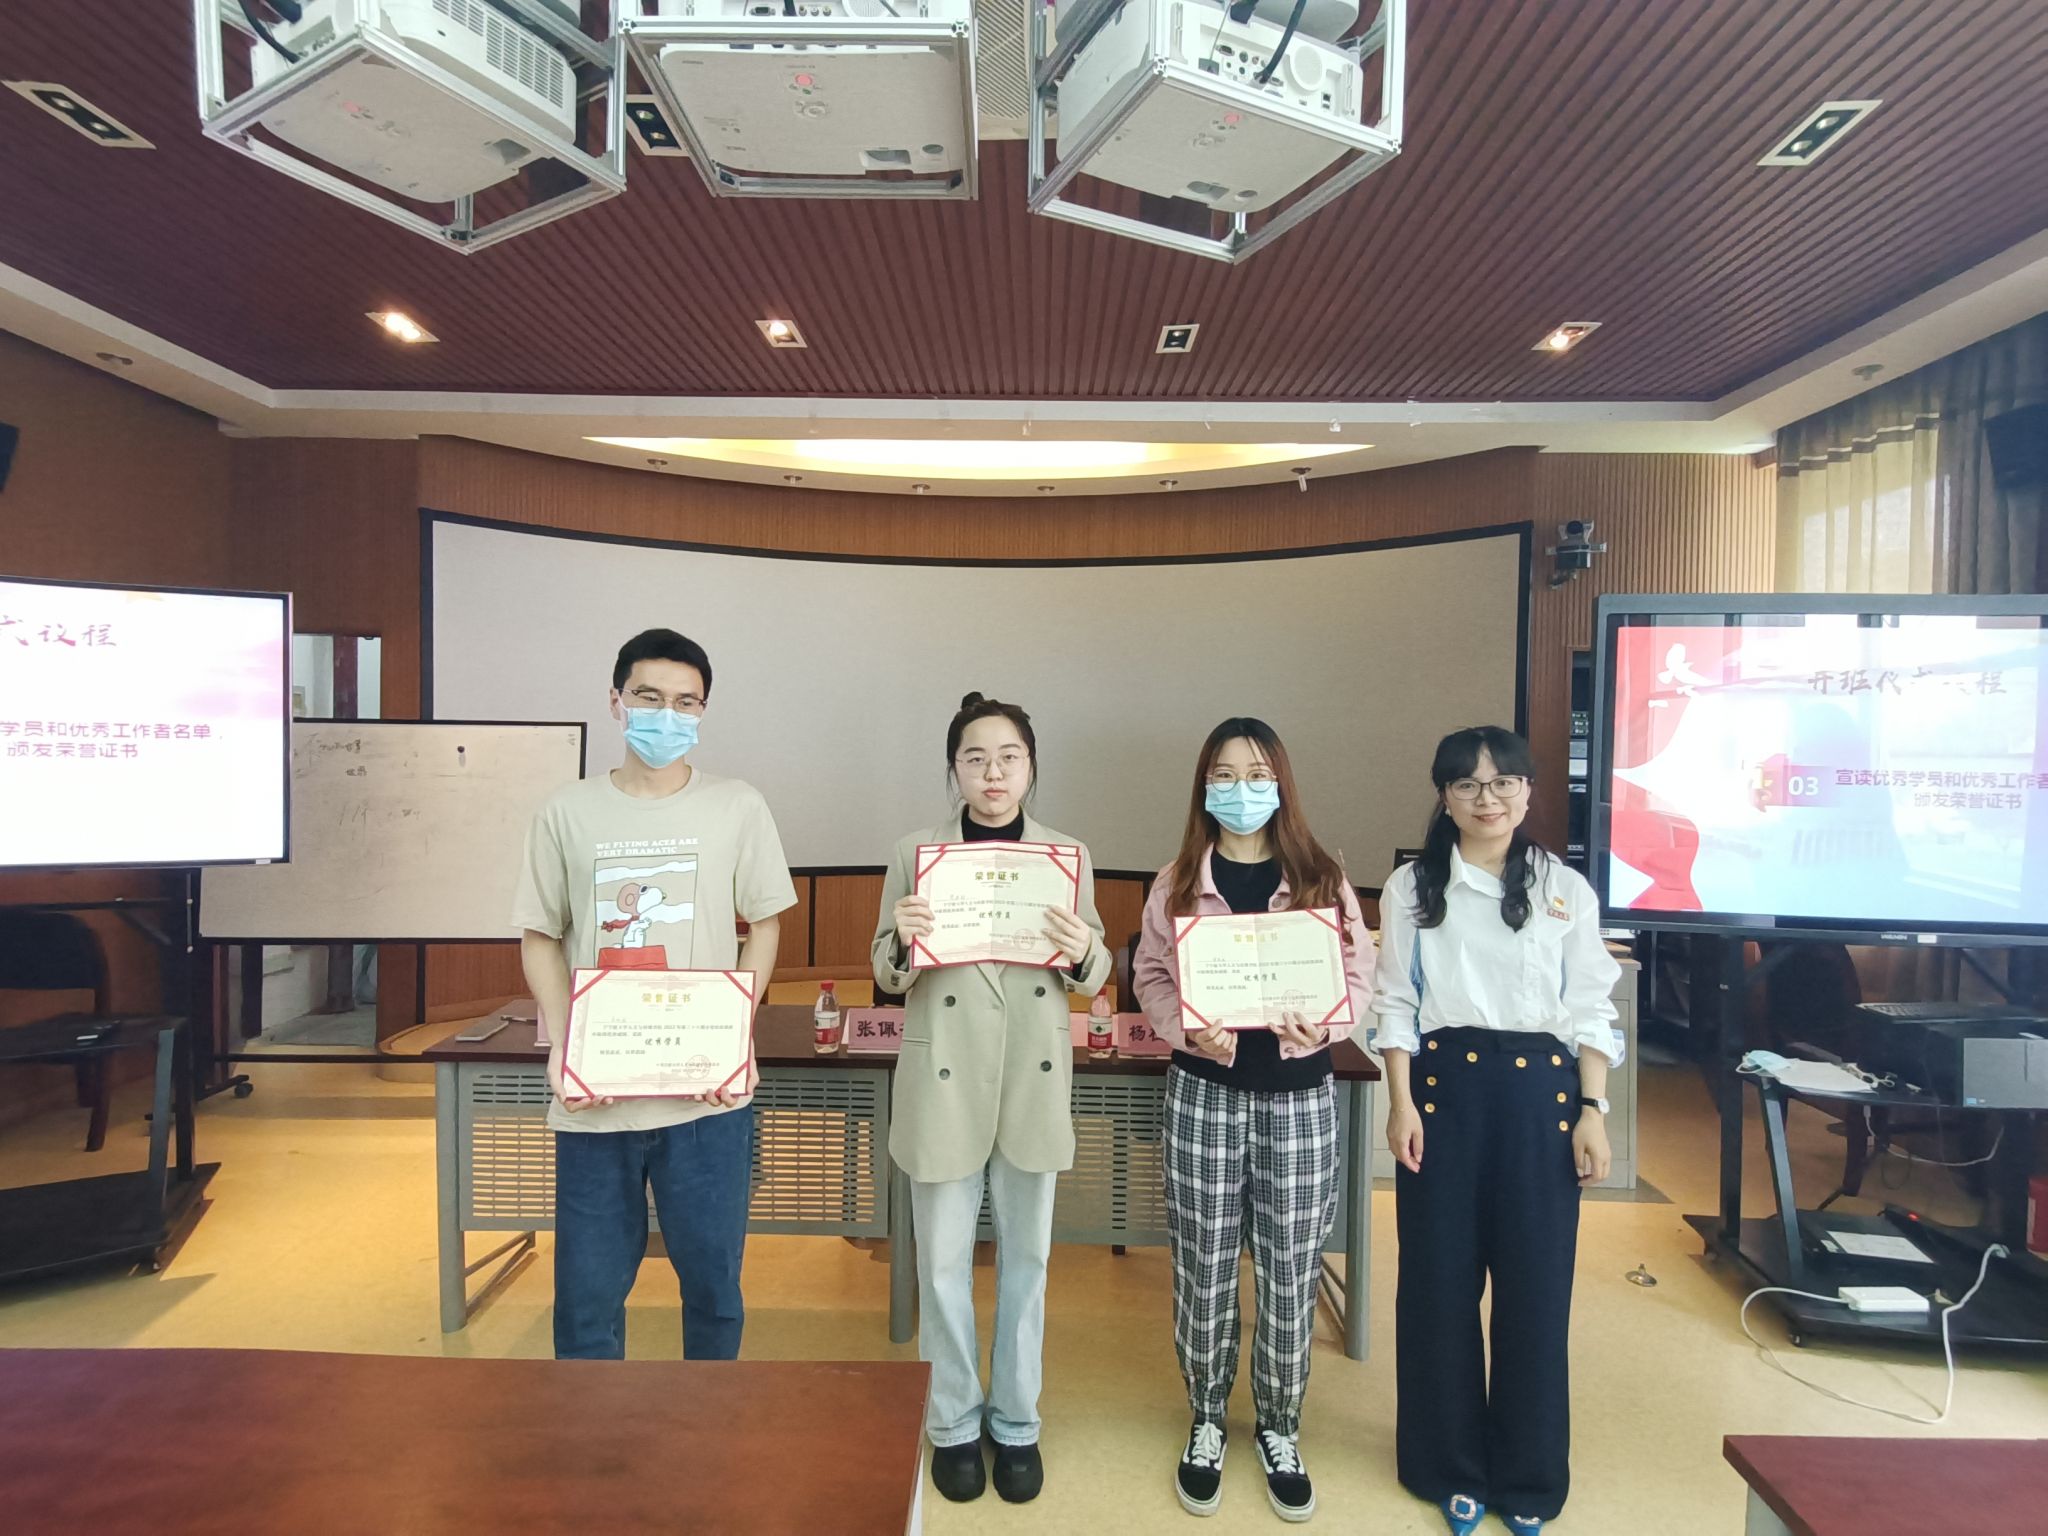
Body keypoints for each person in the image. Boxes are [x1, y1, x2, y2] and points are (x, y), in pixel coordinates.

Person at [513, 628, 797, 1361]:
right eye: (649, 697)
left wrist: (735, 1036)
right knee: (586, 1302)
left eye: (685, 702)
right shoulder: (566, 811)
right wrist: (564, 1043)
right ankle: (592, 1430)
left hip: (706, 1100)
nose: (666, 716)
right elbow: (540, 935)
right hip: (596, 1100)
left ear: (702, 711)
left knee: (713, 1292)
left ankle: (707, 1424)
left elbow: (764, 927)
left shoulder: (737, 806)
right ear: (616, 701)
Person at [1372, 726, 1621, 1536]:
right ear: (1444, 796)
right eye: (1469, 784)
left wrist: (1593, 1111)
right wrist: (1400, 1104)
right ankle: (1446, 1467)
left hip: (1542, 1101)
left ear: (1528, 790)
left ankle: (1528, 1475)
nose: (1489, 799)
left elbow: (1590, 1007)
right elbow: (1396, 1003)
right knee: (1438, 1286)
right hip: (1442, 1094)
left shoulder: (1564, 890)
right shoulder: (1413, 887)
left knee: (1535, 1290)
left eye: (1504, 782)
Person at [1133, 717, 1376, 1524]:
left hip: (1300, 1097)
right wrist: (1184, 1028)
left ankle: (1279, 1425)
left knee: (1290, 1270)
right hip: (1203, 1093)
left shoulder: (1320, 876)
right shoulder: (1176, 881)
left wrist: (1325, 1025)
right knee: (1202, 1266)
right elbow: (1151, 976)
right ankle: (1206, 1417)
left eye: (1258, 774)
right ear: (1205, 786)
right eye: (1226, 775)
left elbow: (1357, 975)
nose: (1243, 790)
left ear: (1281, 783)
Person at [871, 692, 1111, 1506]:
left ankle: (1016, 1420)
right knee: (941, 1265)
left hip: (1030, 1081)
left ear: (1031, 766)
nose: (993, 773)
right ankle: (950, 1423)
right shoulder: (915, 853)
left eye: (1009, 757)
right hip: (944, 1078)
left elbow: (1094, 969)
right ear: (955, 769)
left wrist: (1084, 952)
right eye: (975, 758)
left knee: (1028, 1264)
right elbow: (884, 967)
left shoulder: (1066, 855)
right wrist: (904, 939)